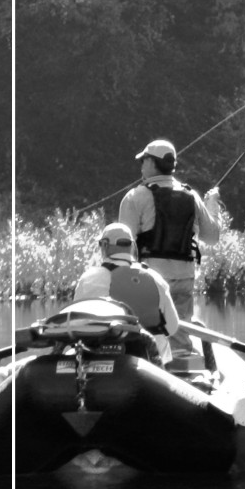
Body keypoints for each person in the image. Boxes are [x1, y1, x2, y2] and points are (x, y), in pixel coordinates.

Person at [117, 139, 222, 354]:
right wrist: (212, 205)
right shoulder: (191, 195)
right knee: (179, 335)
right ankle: (181, 359)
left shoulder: (135, 197)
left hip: (150, 279)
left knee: (146, 334)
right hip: (184, 278)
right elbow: (212, 237)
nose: (141, 166)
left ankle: (148, 361)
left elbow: (123, 245)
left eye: (143, 160)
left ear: (151, 163)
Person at [73, 223, 179, 365]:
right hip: (150, 363)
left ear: (105, 246)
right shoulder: (156, 279)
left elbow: (76, 323)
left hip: (100, 358)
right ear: (132, 247)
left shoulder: (89, 279)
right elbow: (172, 327)